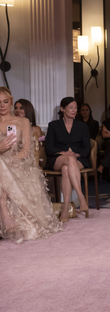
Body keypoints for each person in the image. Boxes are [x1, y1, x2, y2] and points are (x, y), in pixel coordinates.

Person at [0, 87, 62, 243]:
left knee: (1, 165)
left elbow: (25, 151)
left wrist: (10, 160)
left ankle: (9, 215)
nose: (2, 105)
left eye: (5, 101)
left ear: (11, 101)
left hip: (16, 164)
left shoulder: (22, 122)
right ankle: (5, 214)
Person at [45, 97, 91, 222]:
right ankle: (81, 197)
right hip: (57, 159)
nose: (74, 110)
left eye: (75, 107)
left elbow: (87, 148)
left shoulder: (82, 126)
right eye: (71, 107)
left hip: (78, 160)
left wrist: (76, 154)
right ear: (62, 109)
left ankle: (65, 207)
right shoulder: (53, 125)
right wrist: (62, 153)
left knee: (66, 168)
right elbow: (48, 148)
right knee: (67, 160)